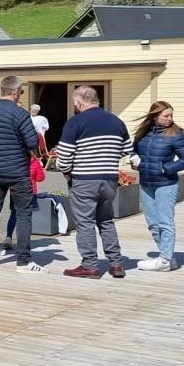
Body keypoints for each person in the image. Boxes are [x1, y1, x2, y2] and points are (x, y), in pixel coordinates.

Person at [55, 85, 133, 279]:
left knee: (85, 222)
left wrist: (66, 172)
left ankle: (89, 265)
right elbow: (126, 149)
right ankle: (116, 263)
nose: (75, 107)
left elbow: (63, 156)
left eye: (75, 104)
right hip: (109, 179)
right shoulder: (116, 121)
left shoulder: (76, 122)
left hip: (84, 179)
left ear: (80, 102)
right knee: (106, 220)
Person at [0, 75, 43, 274]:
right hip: (18, 172)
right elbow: (32, 142)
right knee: (23, 214)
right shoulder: (20, 114)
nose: (21, 94)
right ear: (15, 92)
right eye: (21, 91)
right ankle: (23, 261)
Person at [132, 101, 184, 271]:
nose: (170, 118)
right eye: (166, 115)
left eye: (171, 115)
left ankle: (165, 260)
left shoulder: (176, 133)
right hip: (146, 183)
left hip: (166, 183)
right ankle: (167, 256)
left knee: (165, 222)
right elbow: (134, 150)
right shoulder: (143, 132)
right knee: (152, 223)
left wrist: (165, 168)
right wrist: (133, 159)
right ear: (155, 116)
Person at [4, 150, 45, 248]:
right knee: (26, 217)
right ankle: (24, 241)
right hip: (30, 192)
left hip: (14, 190)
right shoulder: (35, 162)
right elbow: (41, 178)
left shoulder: (15, 161)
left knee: (13, 215)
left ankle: (8, 237)